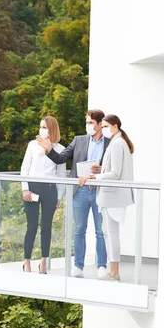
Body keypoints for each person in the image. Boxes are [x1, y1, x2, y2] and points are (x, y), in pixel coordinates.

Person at [37, 109, 110, 279]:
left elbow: (113, 168)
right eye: (86, 122)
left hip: (100, 191)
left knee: (101, 230)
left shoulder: (109, 143)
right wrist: (49, 150)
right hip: (80, 191)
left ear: (99, 124)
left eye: (91, 123)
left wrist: (102, 170)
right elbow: (61, 159)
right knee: (79, 229)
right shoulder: (79, 140)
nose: (88, 126)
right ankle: (78, 266)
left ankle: (102, 266)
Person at [77, 114, 134, 281]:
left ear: (115, 126)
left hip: (112, 195)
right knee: (108, 233)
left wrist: (94, 177)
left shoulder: (117, 144)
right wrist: (100, 172)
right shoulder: (119, 142)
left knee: (111, 233)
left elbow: (115, 174)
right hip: (111, 195)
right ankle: (113, 271)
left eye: (107, 127)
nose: (105, 130)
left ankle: (114, 272)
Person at [20, 116, 66, 274]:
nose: (42, 130)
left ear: (52, 129)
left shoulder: (60, 149)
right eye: (40, 126)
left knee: (46, 227)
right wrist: (25, 188)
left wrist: (59, 196)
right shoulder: (32, 145)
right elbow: (24, 168)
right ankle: (27, 262)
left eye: (45, 127)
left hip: (50, 189)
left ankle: (44, 263)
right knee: (31, 226)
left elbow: (61, 176)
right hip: (32, 188)